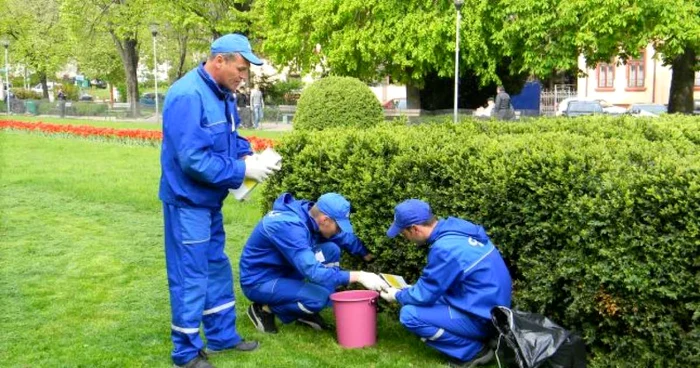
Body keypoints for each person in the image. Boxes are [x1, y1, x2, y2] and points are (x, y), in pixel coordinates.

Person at [159, 33, 281, 368]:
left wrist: (251, 156)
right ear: (219, 61)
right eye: (240, 69)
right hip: (187, 203)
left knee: (215, 267)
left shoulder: (222, 93)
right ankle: (185, 352)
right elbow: (193, 160)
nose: (244, 76)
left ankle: (222, 336)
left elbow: (227, 138)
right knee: (191, 274)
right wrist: (241, 169)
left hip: (208, 202)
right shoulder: (187, 95)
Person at [379, 199, 512, 368]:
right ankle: (487, 338)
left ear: (414, 229)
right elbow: (433, 287)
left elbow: (423, 296)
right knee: (427, 298)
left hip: (484, 318)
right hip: (495, 311)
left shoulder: (445, 249)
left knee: (409, 315)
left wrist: (396, 295)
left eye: (403, 233)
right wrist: (410, 291)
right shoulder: (457, 231)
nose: (404, 238)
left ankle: (474, 351)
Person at [239, 192, 388, 334]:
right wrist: (360, 276)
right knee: (318, 298)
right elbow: (314, 273)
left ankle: (305, 309)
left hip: (285, 271)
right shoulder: (289, 227)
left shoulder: (309, 215)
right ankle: (264, 309)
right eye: (339, 226)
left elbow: (342, 237)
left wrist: (367, 254)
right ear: (325, 220)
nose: (339, 231)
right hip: (260, 282)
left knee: (330, 249)